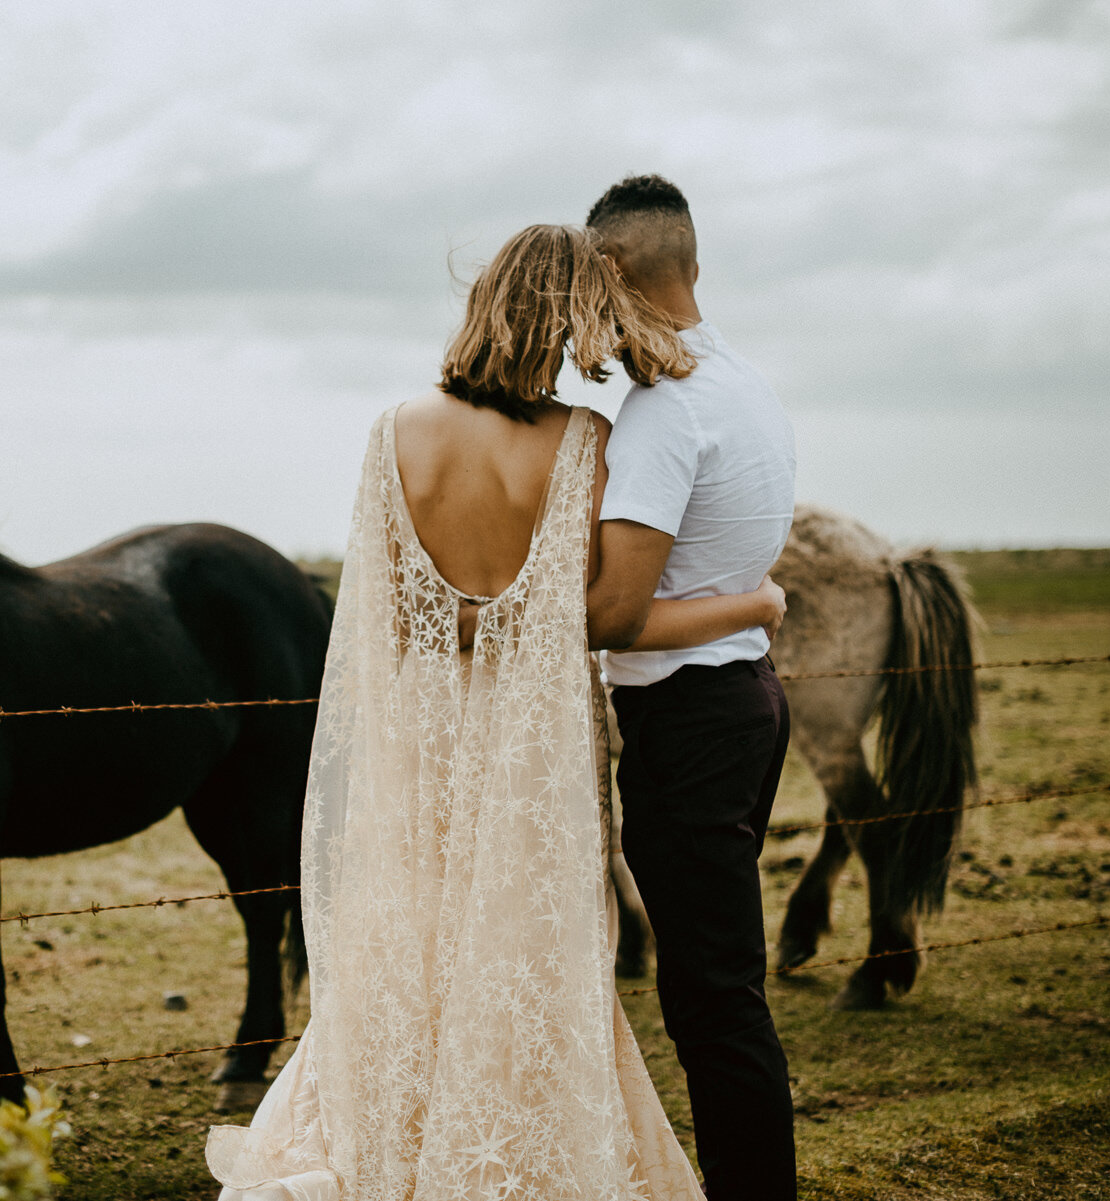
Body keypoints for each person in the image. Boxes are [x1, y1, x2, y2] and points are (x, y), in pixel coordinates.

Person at [204, 224, 783, 1201]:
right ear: (565, 326)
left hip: (424, 738)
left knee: (416, 944)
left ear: (480, 303)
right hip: (528, 753)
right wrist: (759, 603)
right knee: (526, 956)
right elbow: (592, 614)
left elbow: (387, 609)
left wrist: (463, 625)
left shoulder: (396, 431)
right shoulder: (584, 440)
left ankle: (394, 1144)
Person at [583, 174, 801, 1201]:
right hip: (745, 707)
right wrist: (752, 605)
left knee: (713, 1000)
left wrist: (756, 605)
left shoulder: (663, 415)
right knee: (723, 987)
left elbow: (616, 617)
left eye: (589, 285)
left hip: (690, 721)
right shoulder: (745, 383)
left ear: (615, 273)